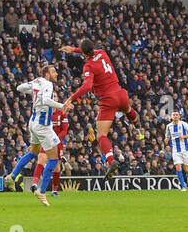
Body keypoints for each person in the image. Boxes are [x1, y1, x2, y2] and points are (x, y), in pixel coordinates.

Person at [60, 39, 143, 179]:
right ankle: (137, 123)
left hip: (108, 99)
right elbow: (87, 51)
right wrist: (74, 49)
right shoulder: (102, 53)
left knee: (101, 135)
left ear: (84, 54)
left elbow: (86, 87)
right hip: (121, 93)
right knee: (127, 109)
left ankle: (111, 160)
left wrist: (71, 98)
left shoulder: (88, 66)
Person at [15, 64, 65, 207]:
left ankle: (13, 176)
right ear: (47, 74)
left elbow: (19, 88)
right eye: (54, 71)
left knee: (35, 152)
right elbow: (46, 101)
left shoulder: (37, 82)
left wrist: (33, 89)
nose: (56, 74)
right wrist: (63, 105)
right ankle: (42, 191)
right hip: (43, 125)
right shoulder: (48, 83)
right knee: (53, 159)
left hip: (34, 122)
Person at [165, 109, 188, 191]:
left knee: (187, 169)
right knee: (178, 167)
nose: (175, 116)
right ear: (171, 116)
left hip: (185, 149)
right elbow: (167, 136)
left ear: (179, 116)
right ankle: (183, 186)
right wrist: (166, 139)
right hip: (175, 150)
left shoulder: (184, 124)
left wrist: (184, 136)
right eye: (173, 115)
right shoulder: (168, 126)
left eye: (176, 115)